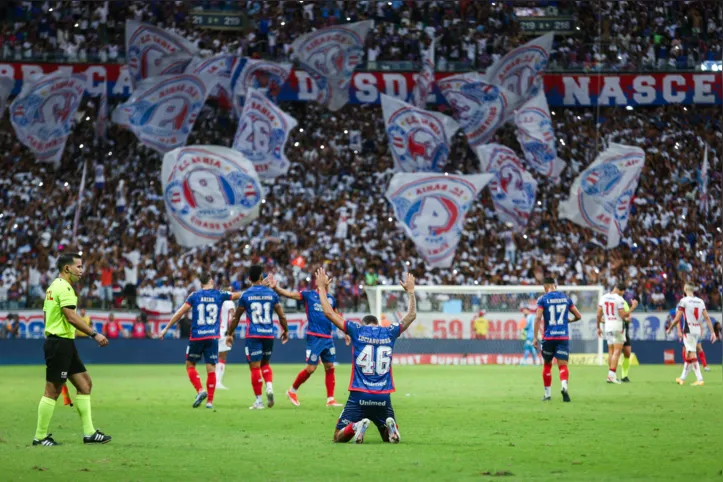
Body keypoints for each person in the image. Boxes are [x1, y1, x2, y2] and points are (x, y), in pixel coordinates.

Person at [315, 267, 415, 444]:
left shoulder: (357, 330)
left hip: (359, 396)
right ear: (377, 324)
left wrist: (322, 288)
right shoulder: (389, 332)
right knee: (386, 438)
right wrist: (411, 292)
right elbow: (411, 315)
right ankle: (391, 428)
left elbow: (329, 313)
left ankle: (356, 426)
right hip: (383, 396)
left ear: (364, 324)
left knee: (338, 436)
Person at [33, 252, 111, 446]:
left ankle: (89, 433)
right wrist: (95, 334)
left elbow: (46, 314)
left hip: (63, 343)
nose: (81, 271)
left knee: (85, 384)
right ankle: (40, 436)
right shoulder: (65, 288)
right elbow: (71, 317)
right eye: (79, 267)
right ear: (67, 268)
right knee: (52, 390)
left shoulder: (53, 287)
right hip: (59, 343)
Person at [268, 273, 349, 407]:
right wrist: (276, 288)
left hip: (328, 338)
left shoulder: (331, 299)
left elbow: (336, 316)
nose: (325, 281)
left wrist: (346, 331)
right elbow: (290, 294)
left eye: (326, 279)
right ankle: (292, 391)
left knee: (330, 367)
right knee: (311, 368)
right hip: (314, 337)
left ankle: (330, 399)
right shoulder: (309, 295)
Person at [160, 273, 241, 409]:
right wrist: (255, 289)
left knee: (190, 365)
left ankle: (200, 390)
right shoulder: (219, 294)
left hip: (197, 336)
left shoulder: (194, 296)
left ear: (200, 284)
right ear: (211, 281)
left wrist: (166, 328)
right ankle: (209, 401)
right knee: (211, 369)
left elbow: (180, 313)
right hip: (212, 337)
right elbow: (237, 295)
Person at [226, 266, 288, 409]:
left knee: (254, 368)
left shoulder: (246, 295)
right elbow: (282, 315)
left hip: (253, 335)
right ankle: (270, 387)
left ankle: (259, 401)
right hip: (268, 334)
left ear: (249, 279)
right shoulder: (272, 294)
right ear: (261, 277)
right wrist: (285, 330)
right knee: (265, 364)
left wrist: (230, 333)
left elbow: (236, 317)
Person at [533, 277, 582, 402]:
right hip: (562, 337)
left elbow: (538, 318)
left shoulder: (543, 299)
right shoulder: (565, 298)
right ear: (555, 285)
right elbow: (578, 315)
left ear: (545, 287)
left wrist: (534, 337)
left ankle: (547, 394)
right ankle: (564, 387)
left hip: (548, 337)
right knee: (563, 366)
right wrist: (570, 321)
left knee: (547, 365)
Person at [666, 283, 717, 386]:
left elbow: (677, 318)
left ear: (685, 289)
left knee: (692, 354)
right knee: (689, 354)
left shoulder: (683, 301)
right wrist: (712, 332)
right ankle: (682, 378)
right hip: (697, 330)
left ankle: (700, 379)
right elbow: (707, 317)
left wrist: (670, 328)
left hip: (688, 330)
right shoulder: (700, 301)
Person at [597, 284, 636, 384]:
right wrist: (633, 307)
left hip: (607, 327)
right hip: (617, 326)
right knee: (617, 351)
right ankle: (611, 375)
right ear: (620, 290)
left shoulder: (603, 297)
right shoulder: (619, 299)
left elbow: (598, 314)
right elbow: (623, 315)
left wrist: (598, 327)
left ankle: (610, 375)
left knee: (611, 351)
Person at [216, 297, 236, 390]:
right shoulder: (229, 302)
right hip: (223, 332)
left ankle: (213, 381)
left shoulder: (216, 299)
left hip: (213, 331)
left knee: (214, 356)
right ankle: (217, 382)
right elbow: (233, 316)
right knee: (222, 357)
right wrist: (231, 331)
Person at [620, 297, 638, 382]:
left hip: (625, 330)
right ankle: (611, 375)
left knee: (627, 353)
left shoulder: (624, 303)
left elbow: (627, 316)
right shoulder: (613, 302)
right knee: (615, 353)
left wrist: (628, 319)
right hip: (617, 329)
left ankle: (624, 376)